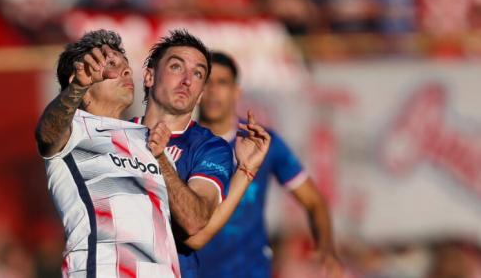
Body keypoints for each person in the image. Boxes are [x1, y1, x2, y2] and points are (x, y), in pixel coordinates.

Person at [35, 30, 180, 277]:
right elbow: (46, 136)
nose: (126, 71)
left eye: (125, 65)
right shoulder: (74, 129)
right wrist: (77, 88)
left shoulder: (152, 142)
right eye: (111, 65)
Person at [133, 30, 270, 278]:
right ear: (149, 76)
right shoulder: (115, 136)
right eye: (176, 66)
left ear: (200, 93)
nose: (187, 80)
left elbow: (194, 226)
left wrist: (160, 158)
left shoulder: (211, 148)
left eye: (197, 74)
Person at [196, 51, 343, 278]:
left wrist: (326, 249)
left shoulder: (261, 142)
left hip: (250, 270)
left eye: (222, 82)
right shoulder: (180, 142)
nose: (213, 91)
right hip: (193, 270)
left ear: (237, 92)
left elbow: (314, 201)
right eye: (206, 83)